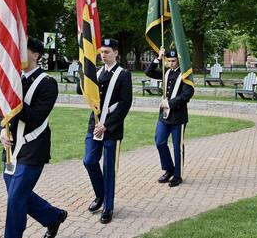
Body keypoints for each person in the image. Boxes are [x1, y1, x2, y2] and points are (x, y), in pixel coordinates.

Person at [0, 37, 67, 238]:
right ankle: (52, 216)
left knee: (15, 200)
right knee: (19, 197)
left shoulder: (47, 83)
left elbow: (34, 117)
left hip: (33, 149)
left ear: (35, 55)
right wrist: (1, 131)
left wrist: (14, 98)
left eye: (22, 50)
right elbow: (2, 111)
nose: (16, 54)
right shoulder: (12, 80)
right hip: (12, 150)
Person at [81, 38, 133, 224]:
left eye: (107, 52)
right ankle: (100, 195)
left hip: (111, 128)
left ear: (116, 53)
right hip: (94, 125)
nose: (103, 55)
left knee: (109, 169)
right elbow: (84, 93)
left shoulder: (123, 75)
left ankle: (108, 207)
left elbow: (125, 105)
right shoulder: (95, 73)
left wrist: (107, 125)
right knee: (89, 161)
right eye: (101, 52)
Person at [144, 47, 194, 186]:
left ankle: (178, 175)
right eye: (169, 61)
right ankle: (169, 169)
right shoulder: (166, 73)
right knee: (160, 141)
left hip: (178, 117)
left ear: (179, 60)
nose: (171, 63)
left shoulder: (185, 75)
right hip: (164, 116)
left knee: (177, 147)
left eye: (173, 61)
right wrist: (158, 58)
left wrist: (169, 103)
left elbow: (187, 94)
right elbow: (149, 72)